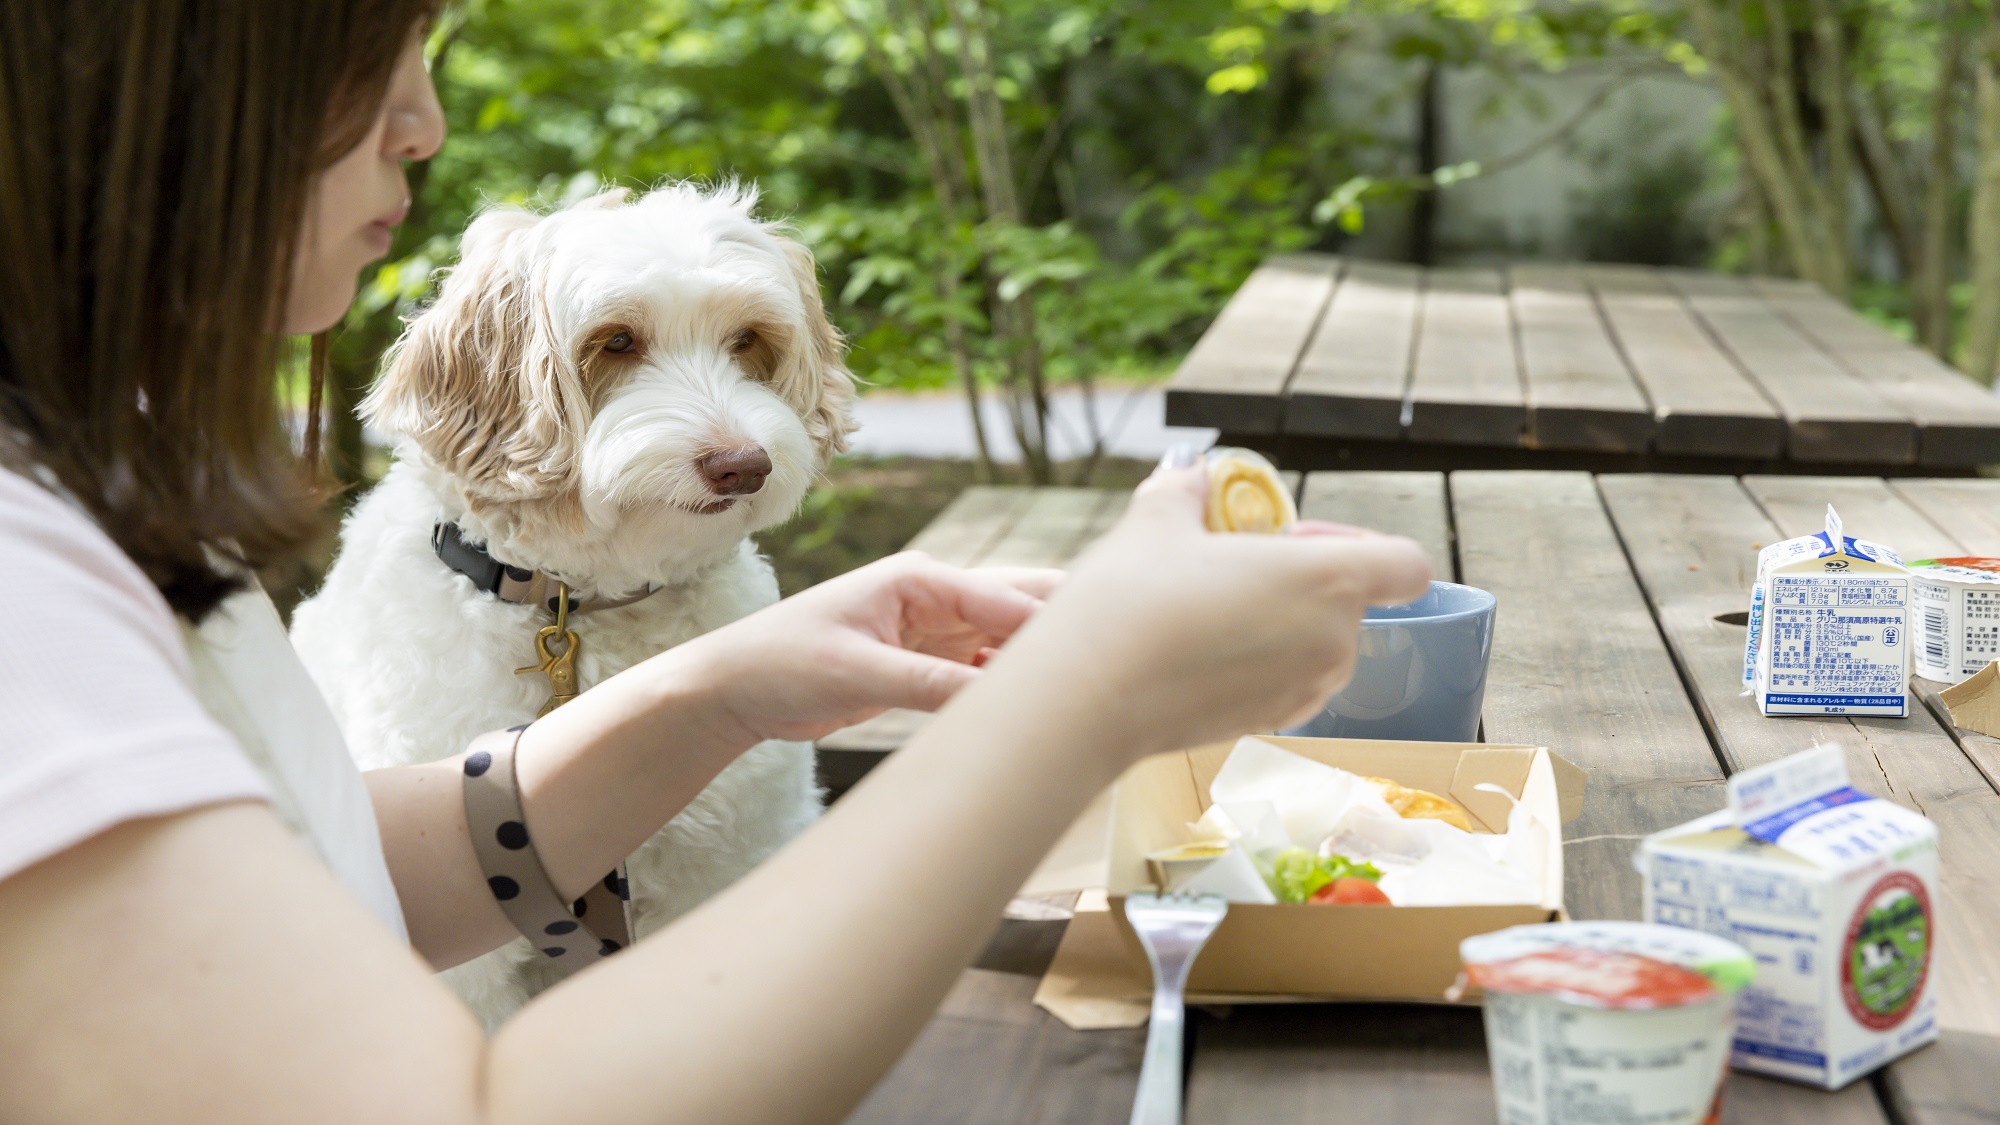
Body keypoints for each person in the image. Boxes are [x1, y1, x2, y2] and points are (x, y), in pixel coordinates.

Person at [0, 3, 1432, 1122]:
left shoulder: (84, 482)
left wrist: (723, 691)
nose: (425, 120)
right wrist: (1074, 705)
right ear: (147, 73)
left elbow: (304, 871)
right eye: (372, 42)